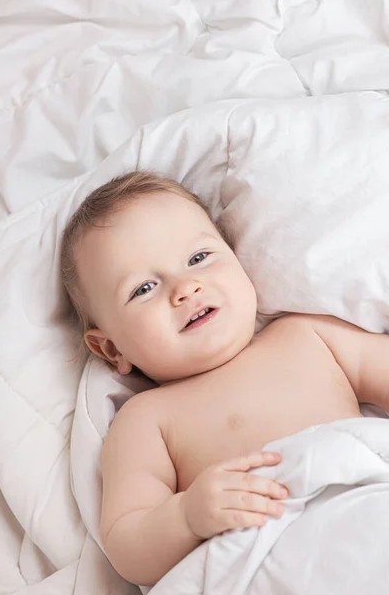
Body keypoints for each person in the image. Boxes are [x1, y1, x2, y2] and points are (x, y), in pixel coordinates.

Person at [60, 171, 389, 587]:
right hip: (267, 557)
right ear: (112, 349)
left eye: (198, 258)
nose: (185, 288)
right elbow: (128, 544)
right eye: (144, 288)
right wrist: (185, 516)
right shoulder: (146, 419)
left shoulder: (309, 335)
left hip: (363, 505)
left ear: (236, 259)